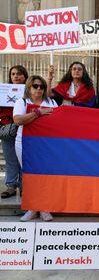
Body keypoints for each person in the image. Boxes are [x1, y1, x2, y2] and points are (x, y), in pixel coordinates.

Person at [13, 76, 57, 221]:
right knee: (30, 176)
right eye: (35, 86)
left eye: (41, 86)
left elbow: (59, 121)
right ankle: (32, 208)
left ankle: (44, 208)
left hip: (46, 145)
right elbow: (18, 120)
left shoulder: (51, 102)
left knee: (45, 176)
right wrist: (38, 113)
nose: (38, 89)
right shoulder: (23, 101)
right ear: (29, 87)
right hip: (25, 143)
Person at [0, 66, 28, 199]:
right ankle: (11, 186)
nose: (16, 76)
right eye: (13, 74)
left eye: (19, 74)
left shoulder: (31, 91)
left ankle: (25, 186)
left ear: (25, 76)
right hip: (8, 129)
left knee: (25, 158)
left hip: (26, 128)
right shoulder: (3, 91)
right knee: (10, 159)